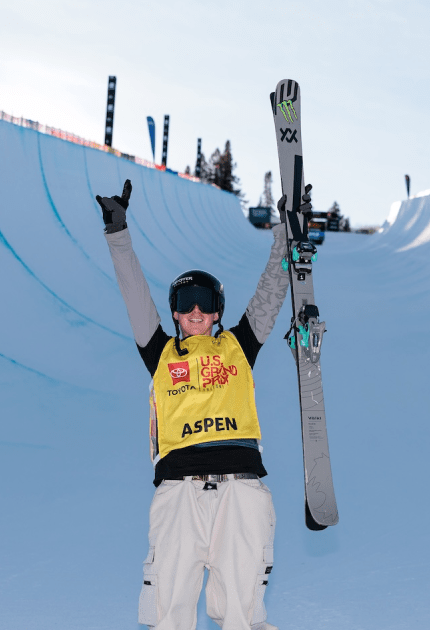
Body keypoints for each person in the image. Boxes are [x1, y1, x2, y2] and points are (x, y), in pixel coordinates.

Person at [96, 179, 311, 630]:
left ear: (217, 311)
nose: (196, 311)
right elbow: (134, 292)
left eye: (206, 302)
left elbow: (271, 293)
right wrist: (117, 231)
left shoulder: (239, 346)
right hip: (180, 492)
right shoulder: (160, 353)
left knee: (242, 612)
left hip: (241, 489)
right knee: (168, 612)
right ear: (174, 312)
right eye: (185, 302)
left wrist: (284, 233)